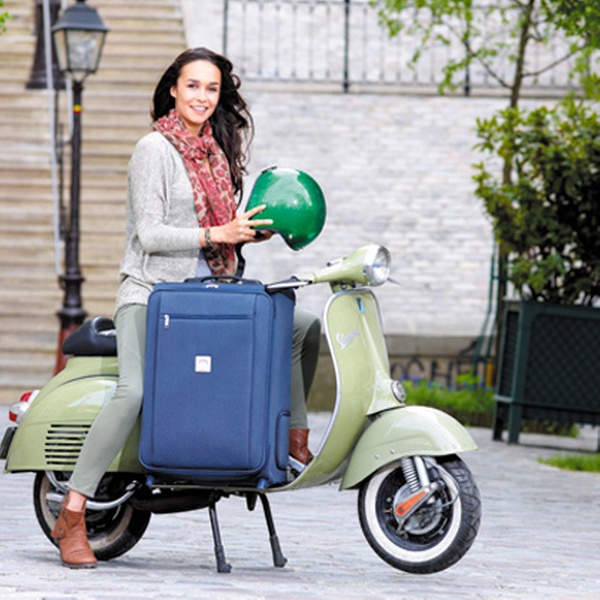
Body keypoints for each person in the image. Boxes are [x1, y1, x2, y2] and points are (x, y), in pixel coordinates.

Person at [50, 47, 320, 569]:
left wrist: (246, 232)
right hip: (151, 295)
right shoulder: (153, 149)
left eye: (211, 88)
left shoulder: (215, 152)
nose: (202, 96)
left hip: (207, 296)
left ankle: (293, 435)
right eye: (192, 85)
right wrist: (217, 232)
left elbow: (218, 236)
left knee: (300, 326)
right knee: (134, 392)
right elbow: (150, 235)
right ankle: (74, 511)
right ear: (173, 89)